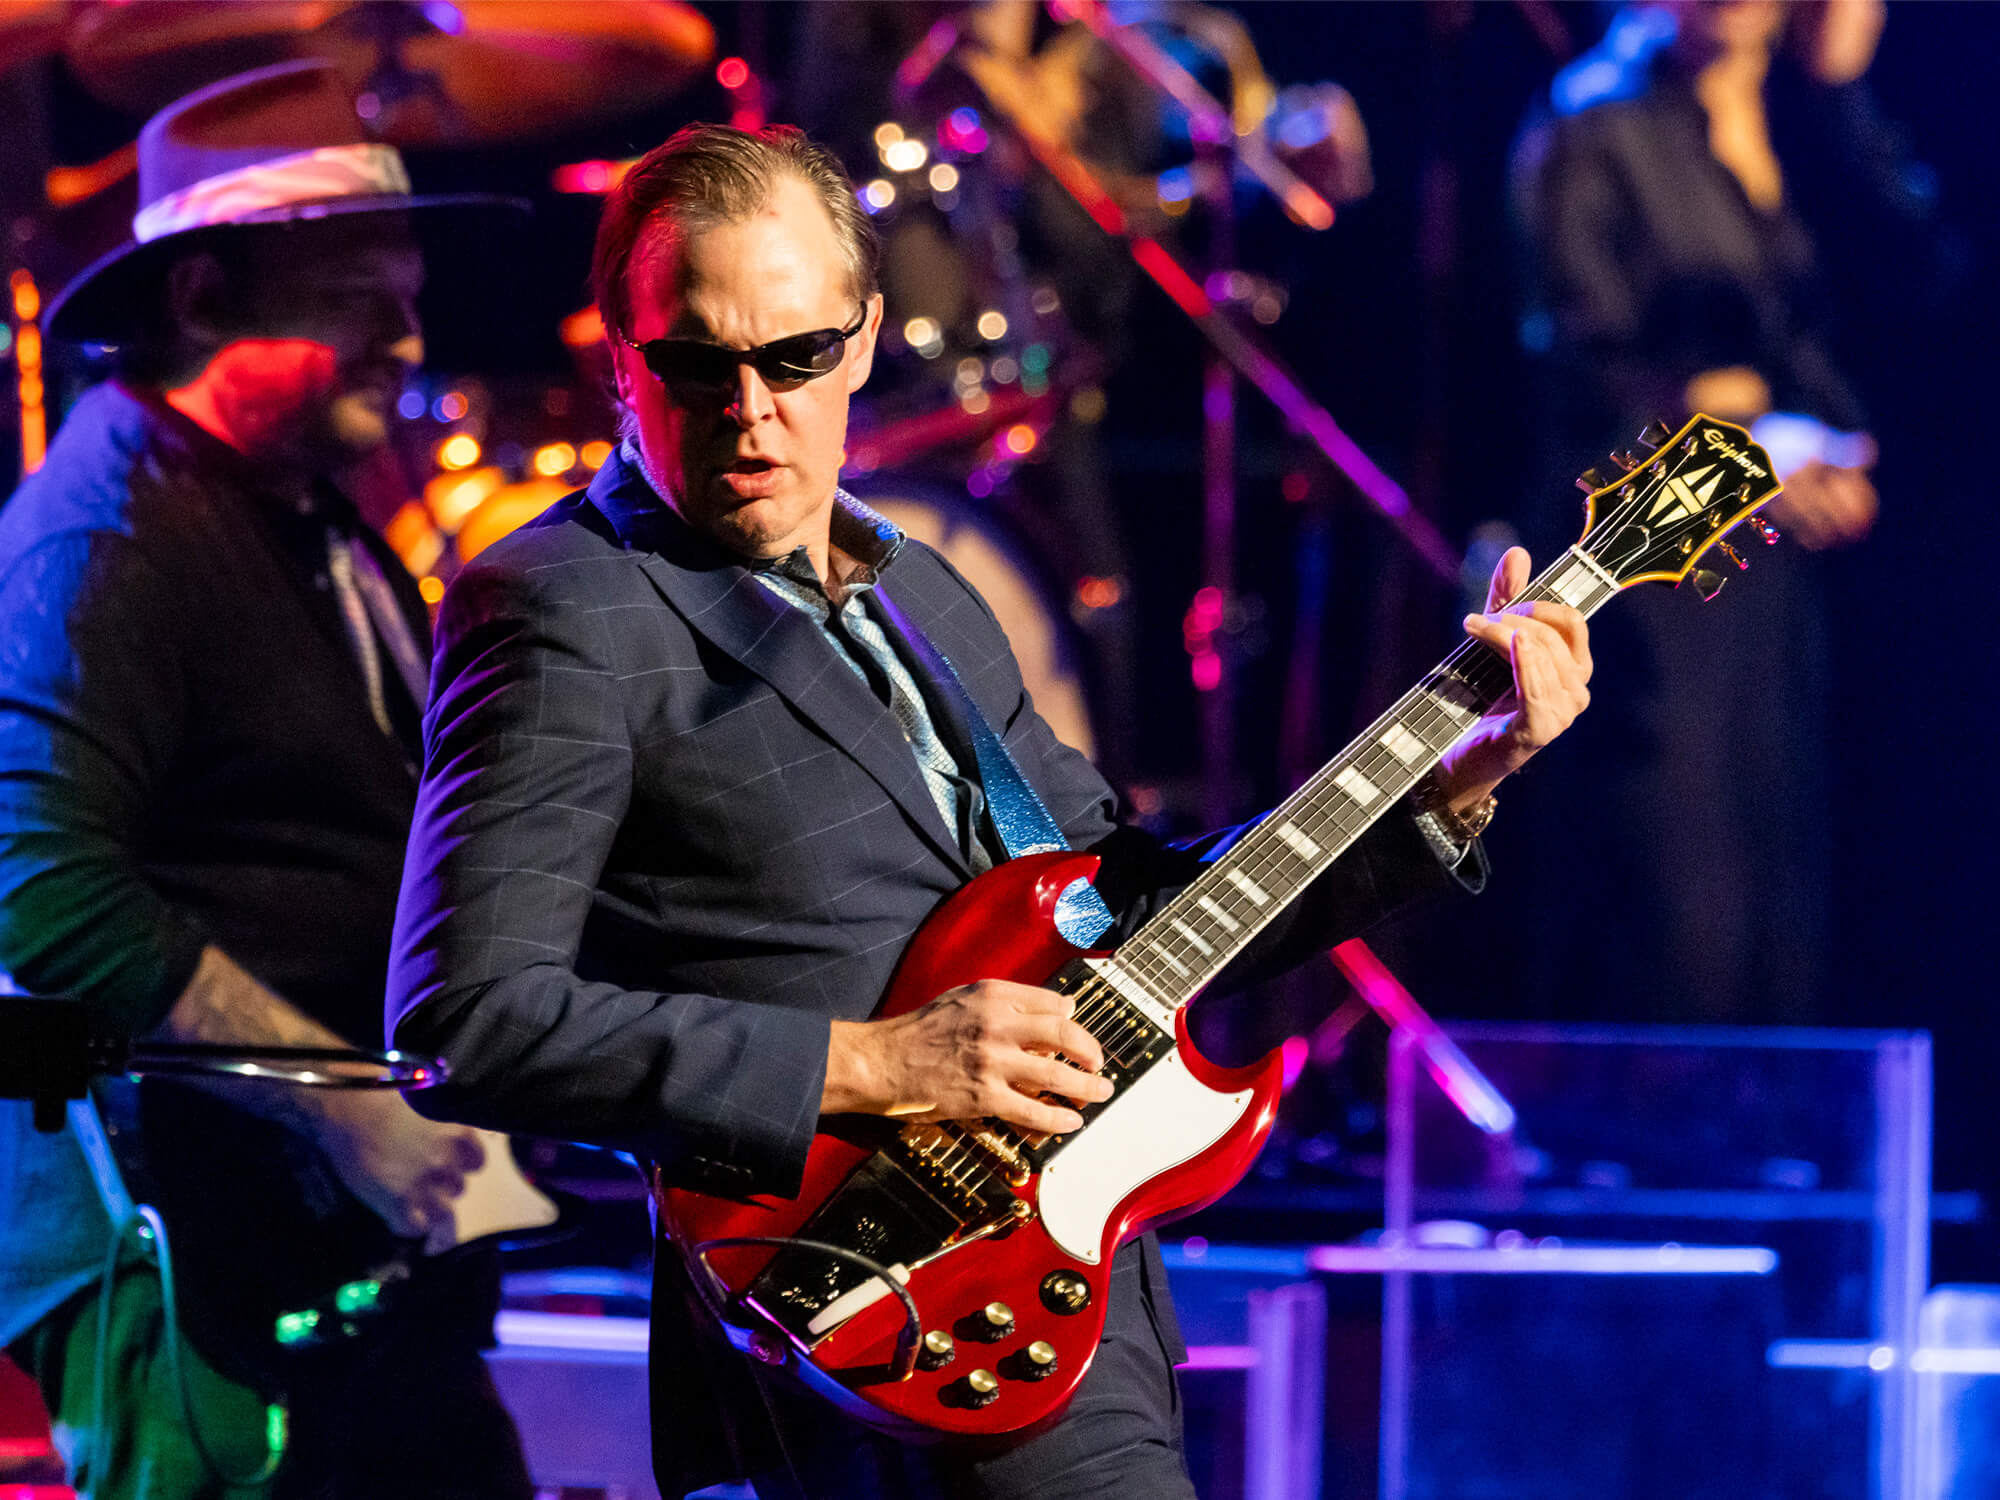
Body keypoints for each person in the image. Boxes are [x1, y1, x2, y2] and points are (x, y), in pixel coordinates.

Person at [386, 122, 1592, 1500]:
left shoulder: (934, 596)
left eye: (795, 356)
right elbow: (462, 1022)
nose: (751, 410)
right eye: (694, 364)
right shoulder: (563, 607)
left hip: (1070, 1294)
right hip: (866, 1313)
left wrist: (1452, 779)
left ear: (865, 339)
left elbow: (1140, 915)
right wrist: (874, 1064)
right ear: (619, 356)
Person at [0, 62, 531, 1500]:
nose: (411, 340)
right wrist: (344, 1103)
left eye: (410, 296)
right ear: (205, 300)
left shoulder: (301, 511)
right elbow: (35, 895)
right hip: (193, 1273)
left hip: (344, 1261)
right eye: (365, 298)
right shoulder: (105, 538)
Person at [1508, 0, 1899, 1025]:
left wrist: (1840, 84)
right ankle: (1656, 1140)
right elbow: (1588, 365)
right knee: (1683, 873)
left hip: (1779, 559)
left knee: (1780, 854)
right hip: (1651, 557)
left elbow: (1921, 283)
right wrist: (1756, 439)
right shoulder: (1598, 123)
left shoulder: (1802, 120)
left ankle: (1762, 1154)